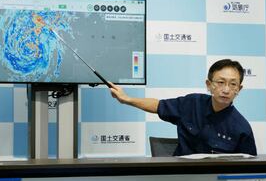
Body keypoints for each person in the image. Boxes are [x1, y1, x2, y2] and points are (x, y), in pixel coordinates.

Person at [109, 59, 257, 156]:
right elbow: (158, 105)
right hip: (180, 177)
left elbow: (249, 169)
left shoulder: (242, 128)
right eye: (220, 82)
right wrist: (127, 99)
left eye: (233, 84)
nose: (226, 89)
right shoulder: (191, 103)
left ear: (239, 89)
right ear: (209, 85)